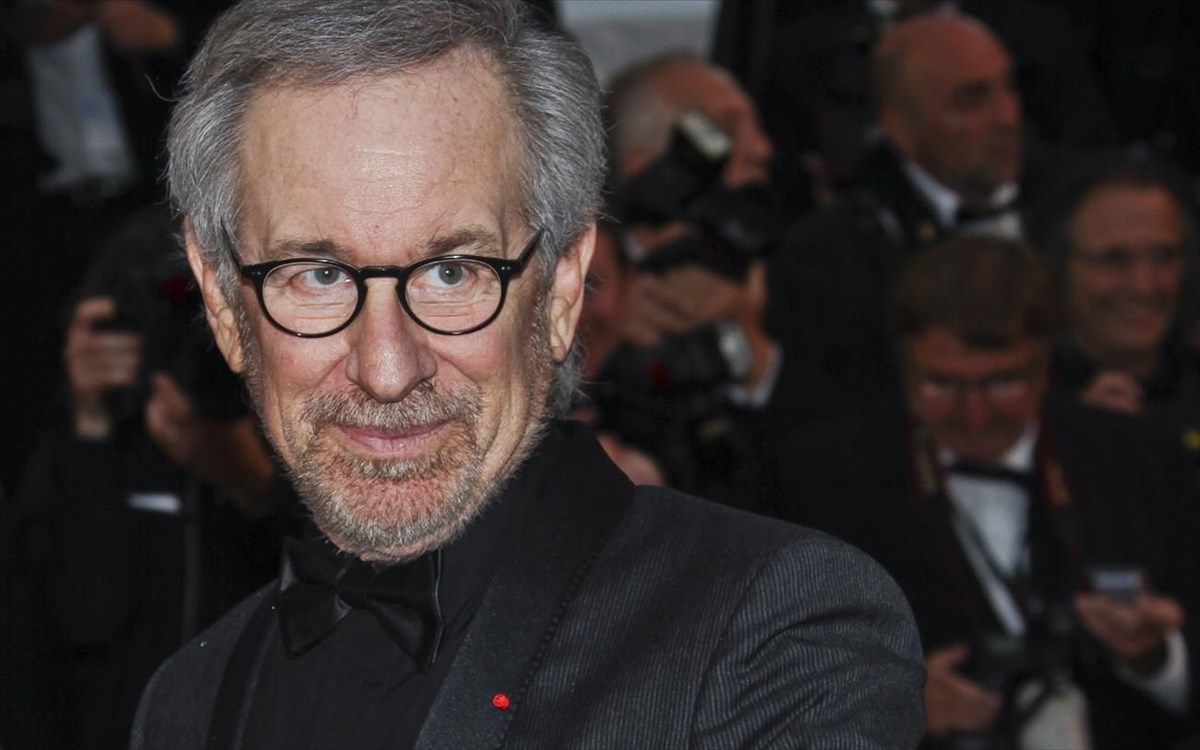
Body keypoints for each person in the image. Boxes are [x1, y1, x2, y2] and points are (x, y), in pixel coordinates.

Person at [131, 2, 925, 748]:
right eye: (317, 275)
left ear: (562, 289)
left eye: (452, 272)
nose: (386, 368)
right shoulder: (187, 700)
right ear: (223, 303)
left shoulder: (770, 631)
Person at [774, 235, 1200, 748]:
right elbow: (772, 685)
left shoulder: (1138, 460)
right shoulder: (824, 481)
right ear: (904, 369)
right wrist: (887, 707)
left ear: (1045, 368)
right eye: (942, 384)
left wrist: (1156, 658)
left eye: (1002, 383)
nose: (974, 415)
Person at [2, 208, 288, 750]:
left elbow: (308, 600)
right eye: (153, 315)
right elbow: (82, 616)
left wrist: (241, 472)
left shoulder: (271, 434)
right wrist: (89, 427)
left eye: (196, 315)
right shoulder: (74, 456)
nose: (177, 336)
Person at [764, 9, 1067, 423]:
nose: (1007, 118)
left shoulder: (1080, 203)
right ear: (900, 128)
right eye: (971, 101)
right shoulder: (834, 257)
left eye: (1010, 88)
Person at [600, 53, 783, 509]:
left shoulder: (790, 277)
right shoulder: (577, 285)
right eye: (727, 129)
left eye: (758, 127)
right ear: (650, 167)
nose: (762, 149)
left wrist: (754, 358)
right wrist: (602, 338)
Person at [1030, 152, 1200, 469]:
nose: (1144, 285)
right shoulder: (1013, 401)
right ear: (1058, 268)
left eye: (1163, 256)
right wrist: (1074, 438)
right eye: (1114, 259)